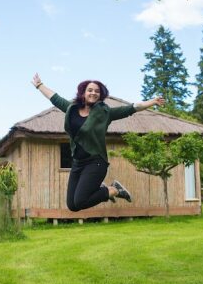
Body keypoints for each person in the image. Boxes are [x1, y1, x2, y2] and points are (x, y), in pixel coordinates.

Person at [32, 73, 165, 212]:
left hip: (96, 162)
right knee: (72, 205)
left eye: (97, 91)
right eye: (90, 90)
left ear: (100, 96)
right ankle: (104, 189)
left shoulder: (104, 112)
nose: (93, 93)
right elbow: (55, 98)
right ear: (83, 92)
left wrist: (152, 102)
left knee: (81, 201)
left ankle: (113, 190)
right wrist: (40, 86)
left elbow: (132, 108)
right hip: (77, 162)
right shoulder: (71, 108)